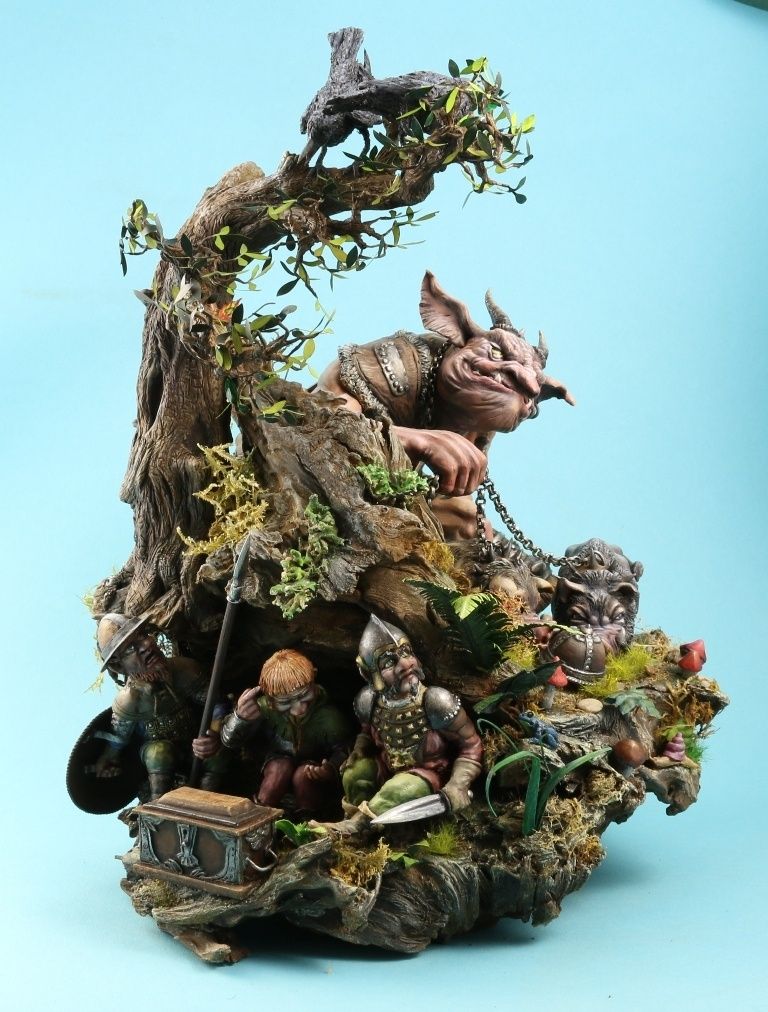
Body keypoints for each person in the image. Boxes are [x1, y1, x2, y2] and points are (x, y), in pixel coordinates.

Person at [330, 615, 483, 834]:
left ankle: (359, 827)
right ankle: (357, 822)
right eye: (389, 662)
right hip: (387, 769)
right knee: (355, 773)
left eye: (406, 653)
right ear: (370, 673)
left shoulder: (435, 701)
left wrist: (458, 784)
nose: (405, 664)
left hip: (426, 777)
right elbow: (367, 732)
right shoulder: (368, 701)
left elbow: (470, 746)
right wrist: (360, 749)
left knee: (399, 789)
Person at [93, 613, 227, 799]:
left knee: (218, 753)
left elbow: (216, 704)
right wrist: (107, 759)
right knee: (159, 752)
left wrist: (213, 734)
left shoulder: (185, 670)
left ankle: (208, 800)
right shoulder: (129, 702)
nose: (147, 645)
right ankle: (159, 805)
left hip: (195, 744)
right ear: (118, 665)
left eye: (143, 635)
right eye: (131, 648)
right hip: (158, 755)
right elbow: (119, 739)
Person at [220, 649, 353, 817]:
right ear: (270, 699)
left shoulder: (329, 717)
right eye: (285, 702)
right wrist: (240, 719)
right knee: (279, 769)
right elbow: (229, 741)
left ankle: (307, 821)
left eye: (304, 696)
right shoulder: (263, 710)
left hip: (312, 766)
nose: (299, 709)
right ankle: (259, 817)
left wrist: (330, 769)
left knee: (304, 776)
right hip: (272, 763)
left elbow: (345, 749)